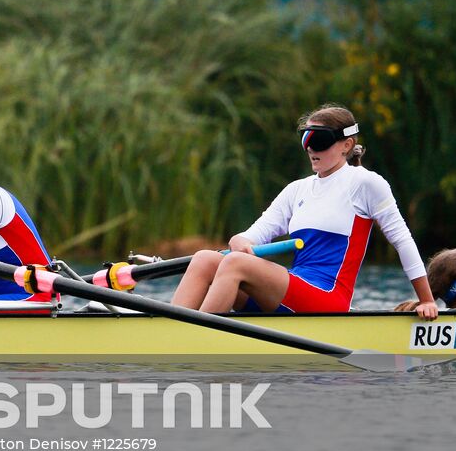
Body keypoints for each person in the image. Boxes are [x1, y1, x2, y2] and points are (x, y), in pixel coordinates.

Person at [172, 104, 439, 320]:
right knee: (205, 258)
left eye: (320, 140)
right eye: (306, 140)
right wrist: (240, 240)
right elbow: (255, 234)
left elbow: (402, 240)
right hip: (293, 291)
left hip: (328, 297)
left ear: (347, 145)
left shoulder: (366, 183)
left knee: (233, 263)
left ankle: (197, 338)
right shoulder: (296, 190)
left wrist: (426, 300)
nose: (311, 148)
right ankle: (171, 333)